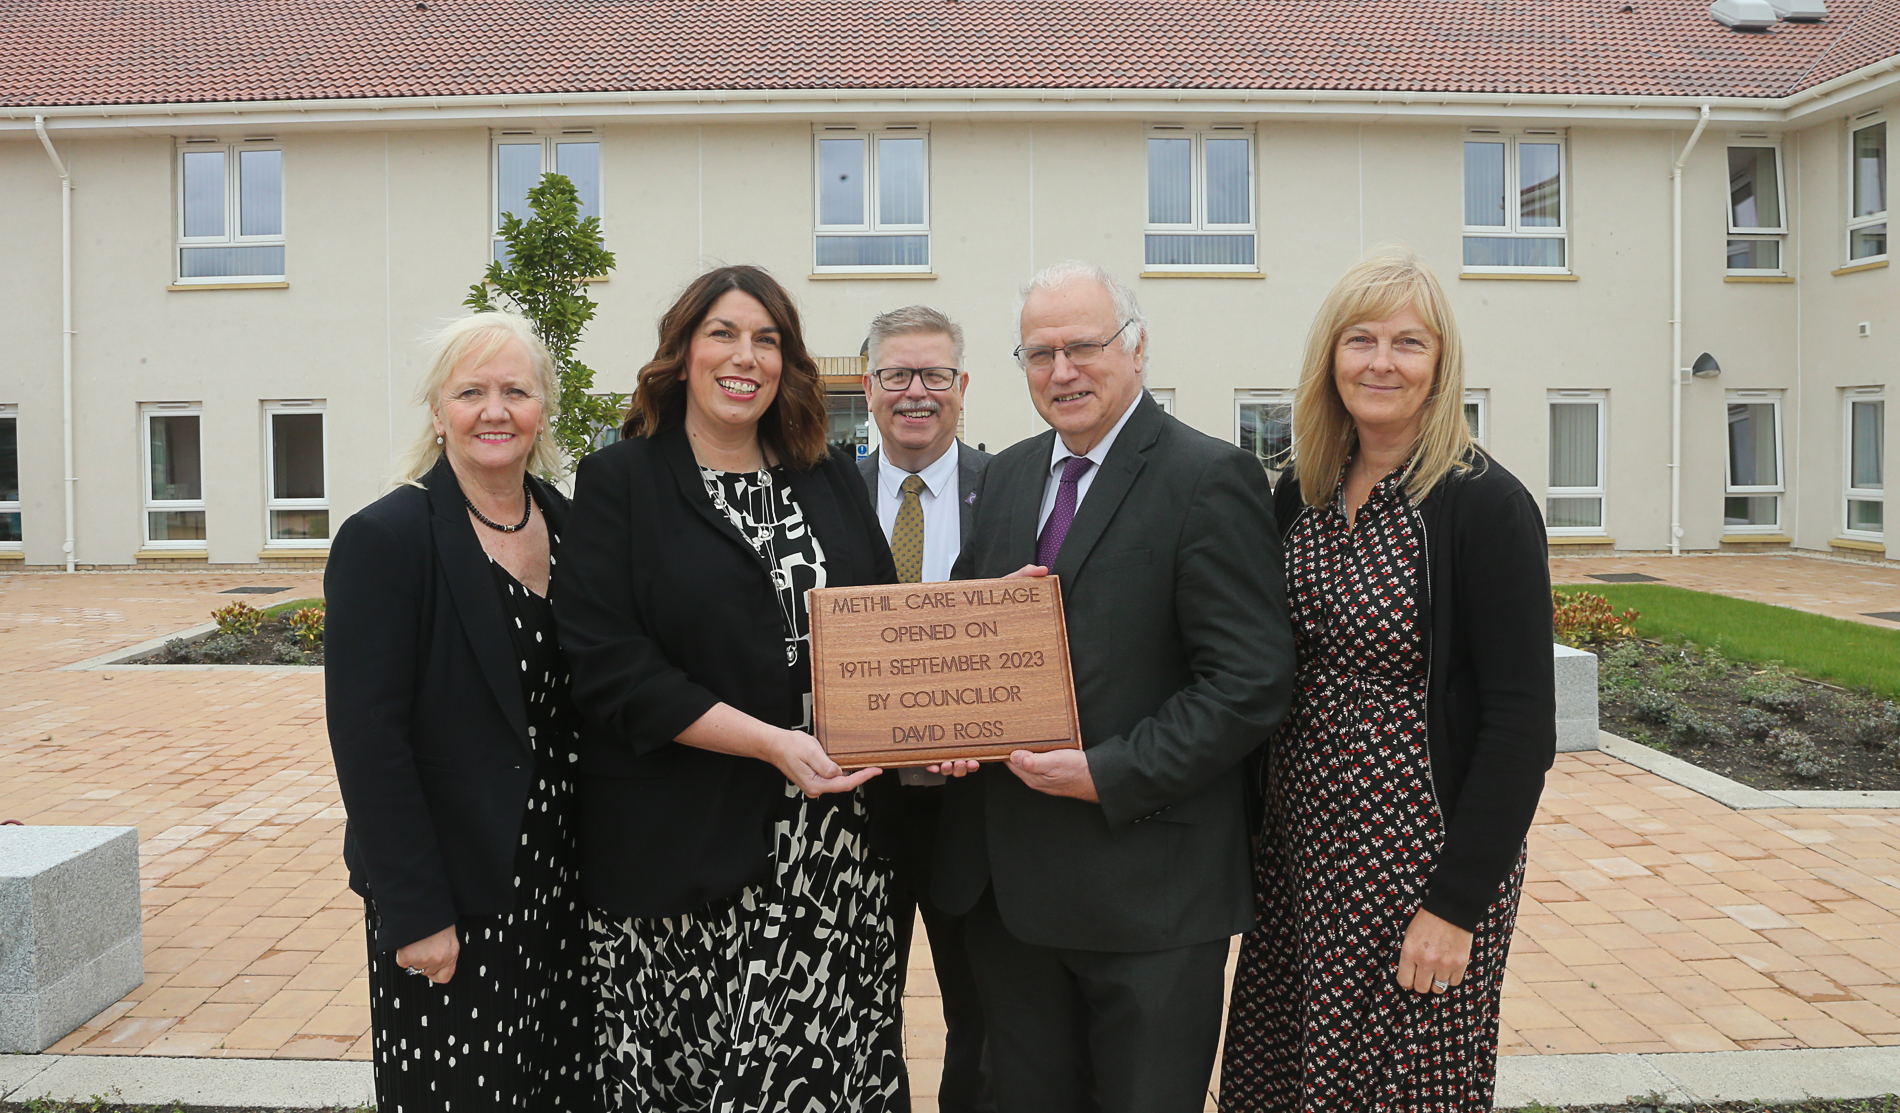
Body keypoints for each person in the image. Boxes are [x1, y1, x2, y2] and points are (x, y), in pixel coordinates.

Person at [934, 261, 1296, 1113]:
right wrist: (947, 726)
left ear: (1136, 349)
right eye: (1040, 352)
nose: (1063, 371)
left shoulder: (1208, 477)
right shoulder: (1008, 477)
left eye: (1085, 346)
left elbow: (1248, 680)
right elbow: (963, 642)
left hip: (1148, 895)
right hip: (1013, 898)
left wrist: (1109, 770)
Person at [552, 264, 907, 1112]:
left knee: (824, 1080)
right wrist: (771, 742)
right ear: (681, 354)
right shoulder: (619, 483)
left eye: (767, 338)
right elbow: (608, 664)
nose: (745, 356)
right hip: (684, 855)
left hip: (830, 859)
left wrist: (940, 719)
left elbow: (885, 625)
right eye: (723, 333)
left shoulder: (827, 476)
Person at [1219, 248, 1555, 1111]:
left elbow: (1522, 724)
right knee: (1284, 1078)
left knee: (1403, 1089)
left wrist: (1455, 904)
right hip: (1299, 852)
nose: (1380, 360)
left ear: (1441, 363)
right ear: (1329, 358)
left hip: (1417, 859)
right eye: (1359, 338)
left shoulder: (1484, 502)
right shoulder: (1303, 488)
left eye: (1408, 341)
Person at [325, 311, 592, 1110]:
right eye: (471, 391)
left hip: (568, 888)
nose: (495, 409)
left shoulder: (573, 527)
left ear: (544, 407)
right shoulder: (389, 538)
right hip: (455, 899)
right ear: (438, 412)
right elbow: (369, 744)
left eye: (516, 389)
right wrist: (416, 913)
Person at [856, 305, 995, 1113]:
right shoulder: (826, 491)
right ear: (869, 388)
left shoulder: (1010, 486)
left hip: (976, 804)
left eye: (935, 375)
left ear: (963, 386)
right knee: (862, 1011)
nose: (917, 392)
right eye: (897, 375)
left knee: (980, 1011)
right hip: (860, 804)